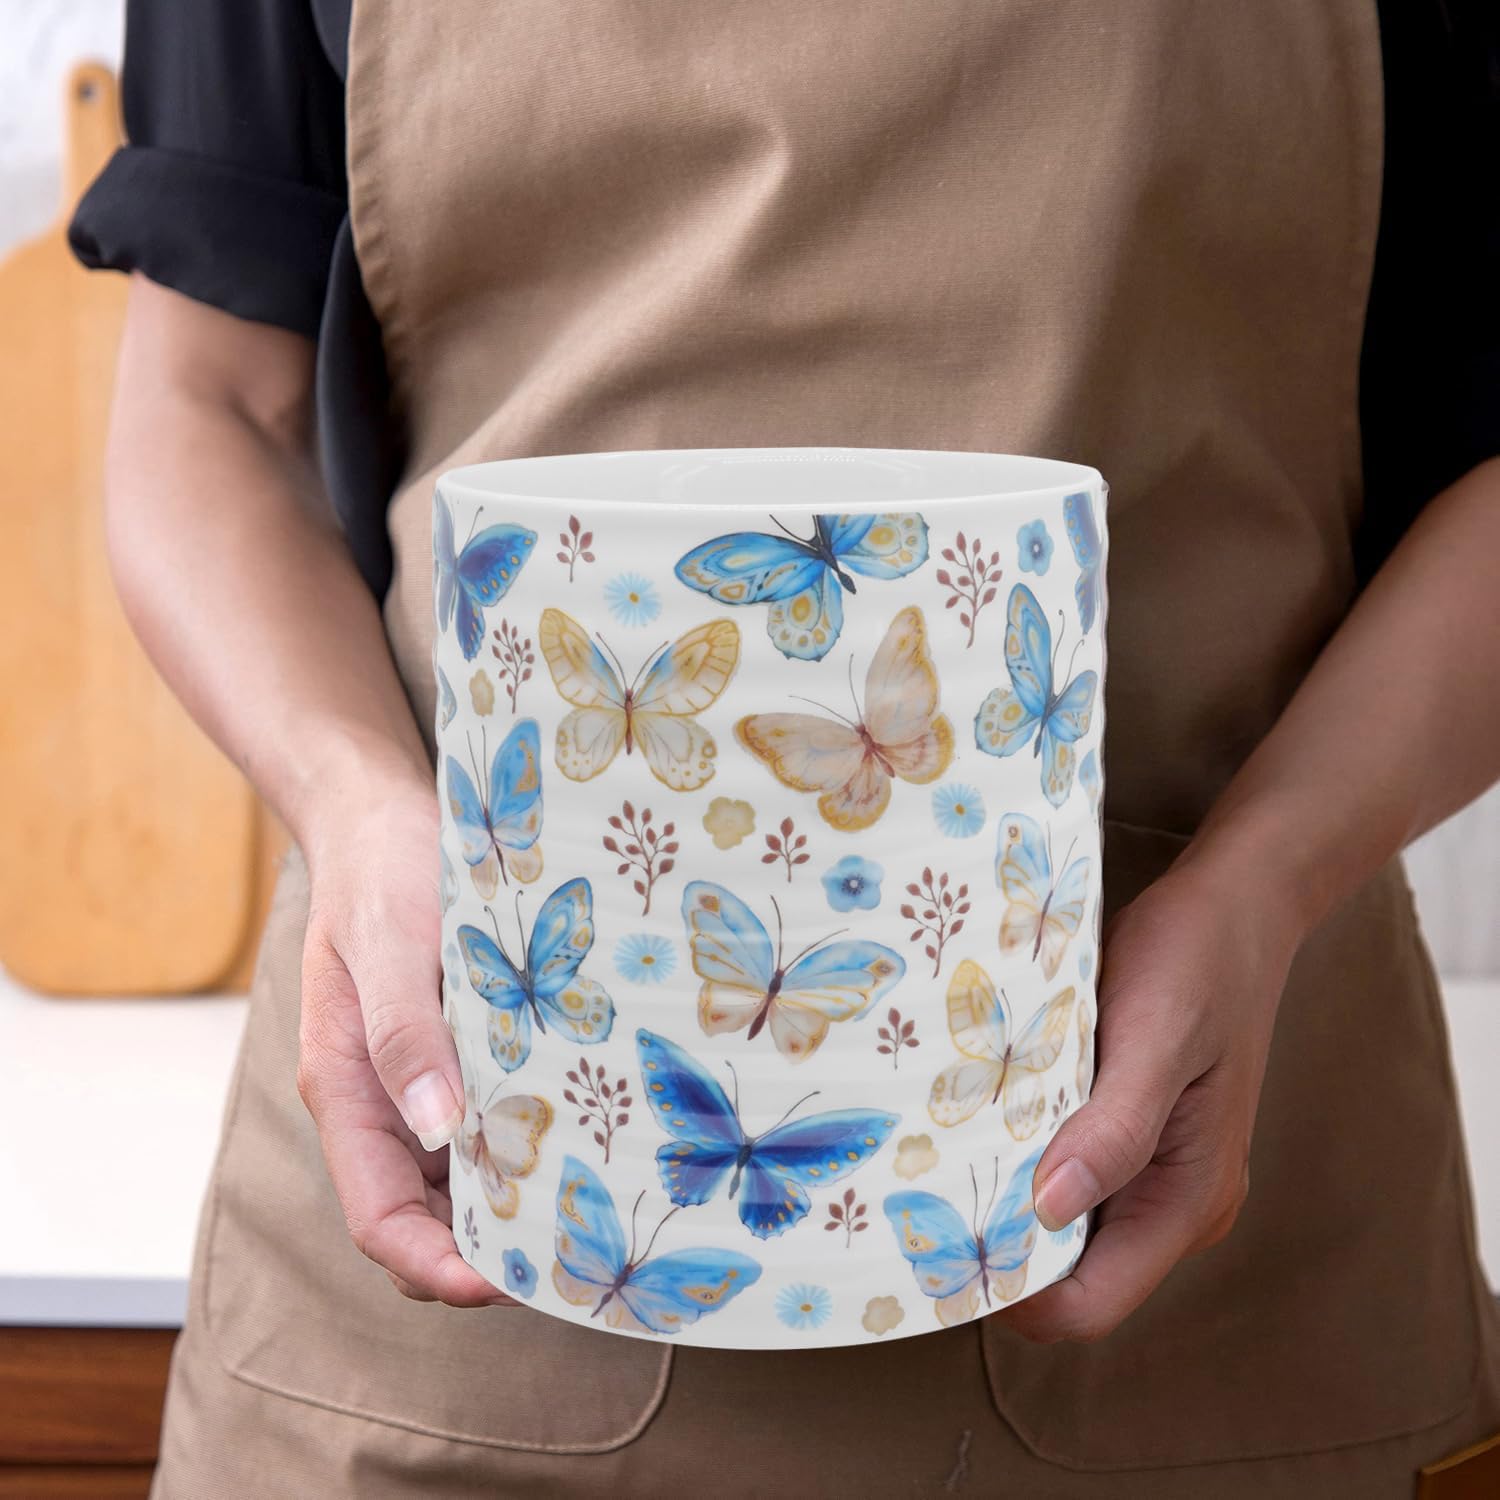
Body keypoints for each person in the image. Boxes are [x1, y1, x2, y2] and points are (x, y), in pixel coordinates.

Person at [70, 1, 1500, 1495]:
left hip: (1214, 1286)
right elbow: (210, 403)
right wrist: (352, 801)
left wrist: (1267, 878)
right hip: (461, 1200)